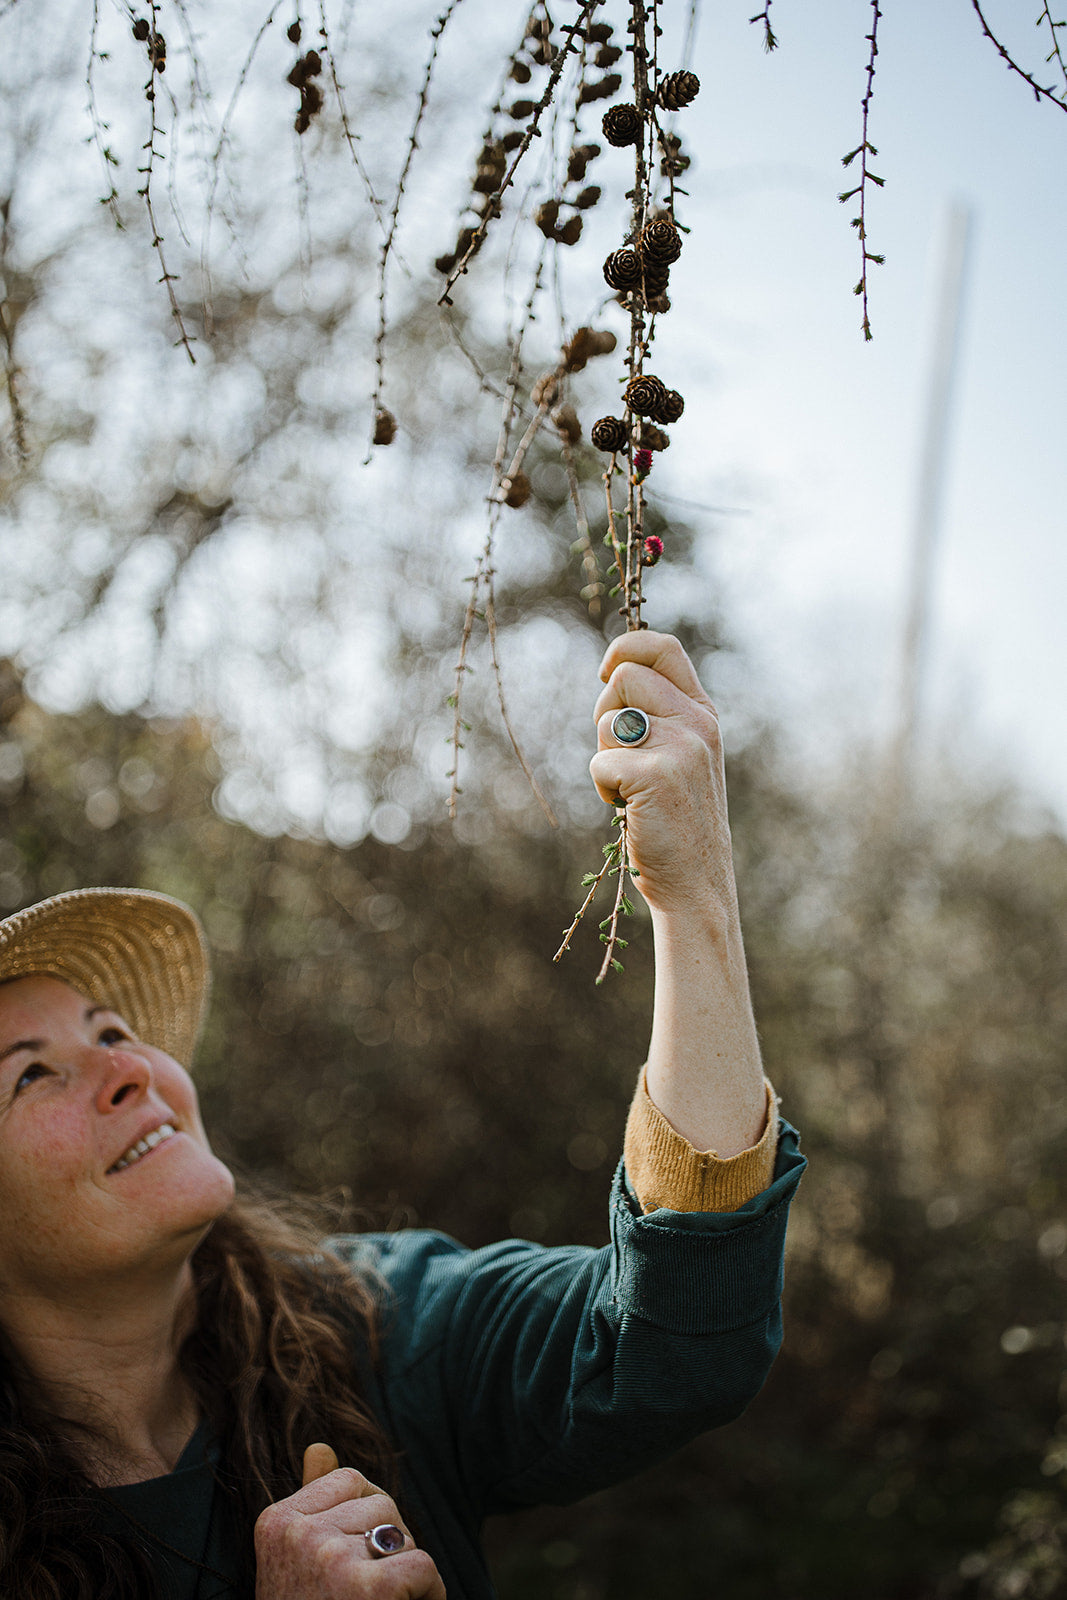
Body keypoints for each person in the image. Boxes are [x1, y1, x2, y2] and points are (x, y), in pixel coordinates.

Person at [0, 631, 805, 1600]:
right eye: (31, 1074)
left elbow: (673, 1333)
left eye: (113, 1027)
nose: (126, 1066)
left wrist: (694, 895)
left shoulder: (376, 1328)